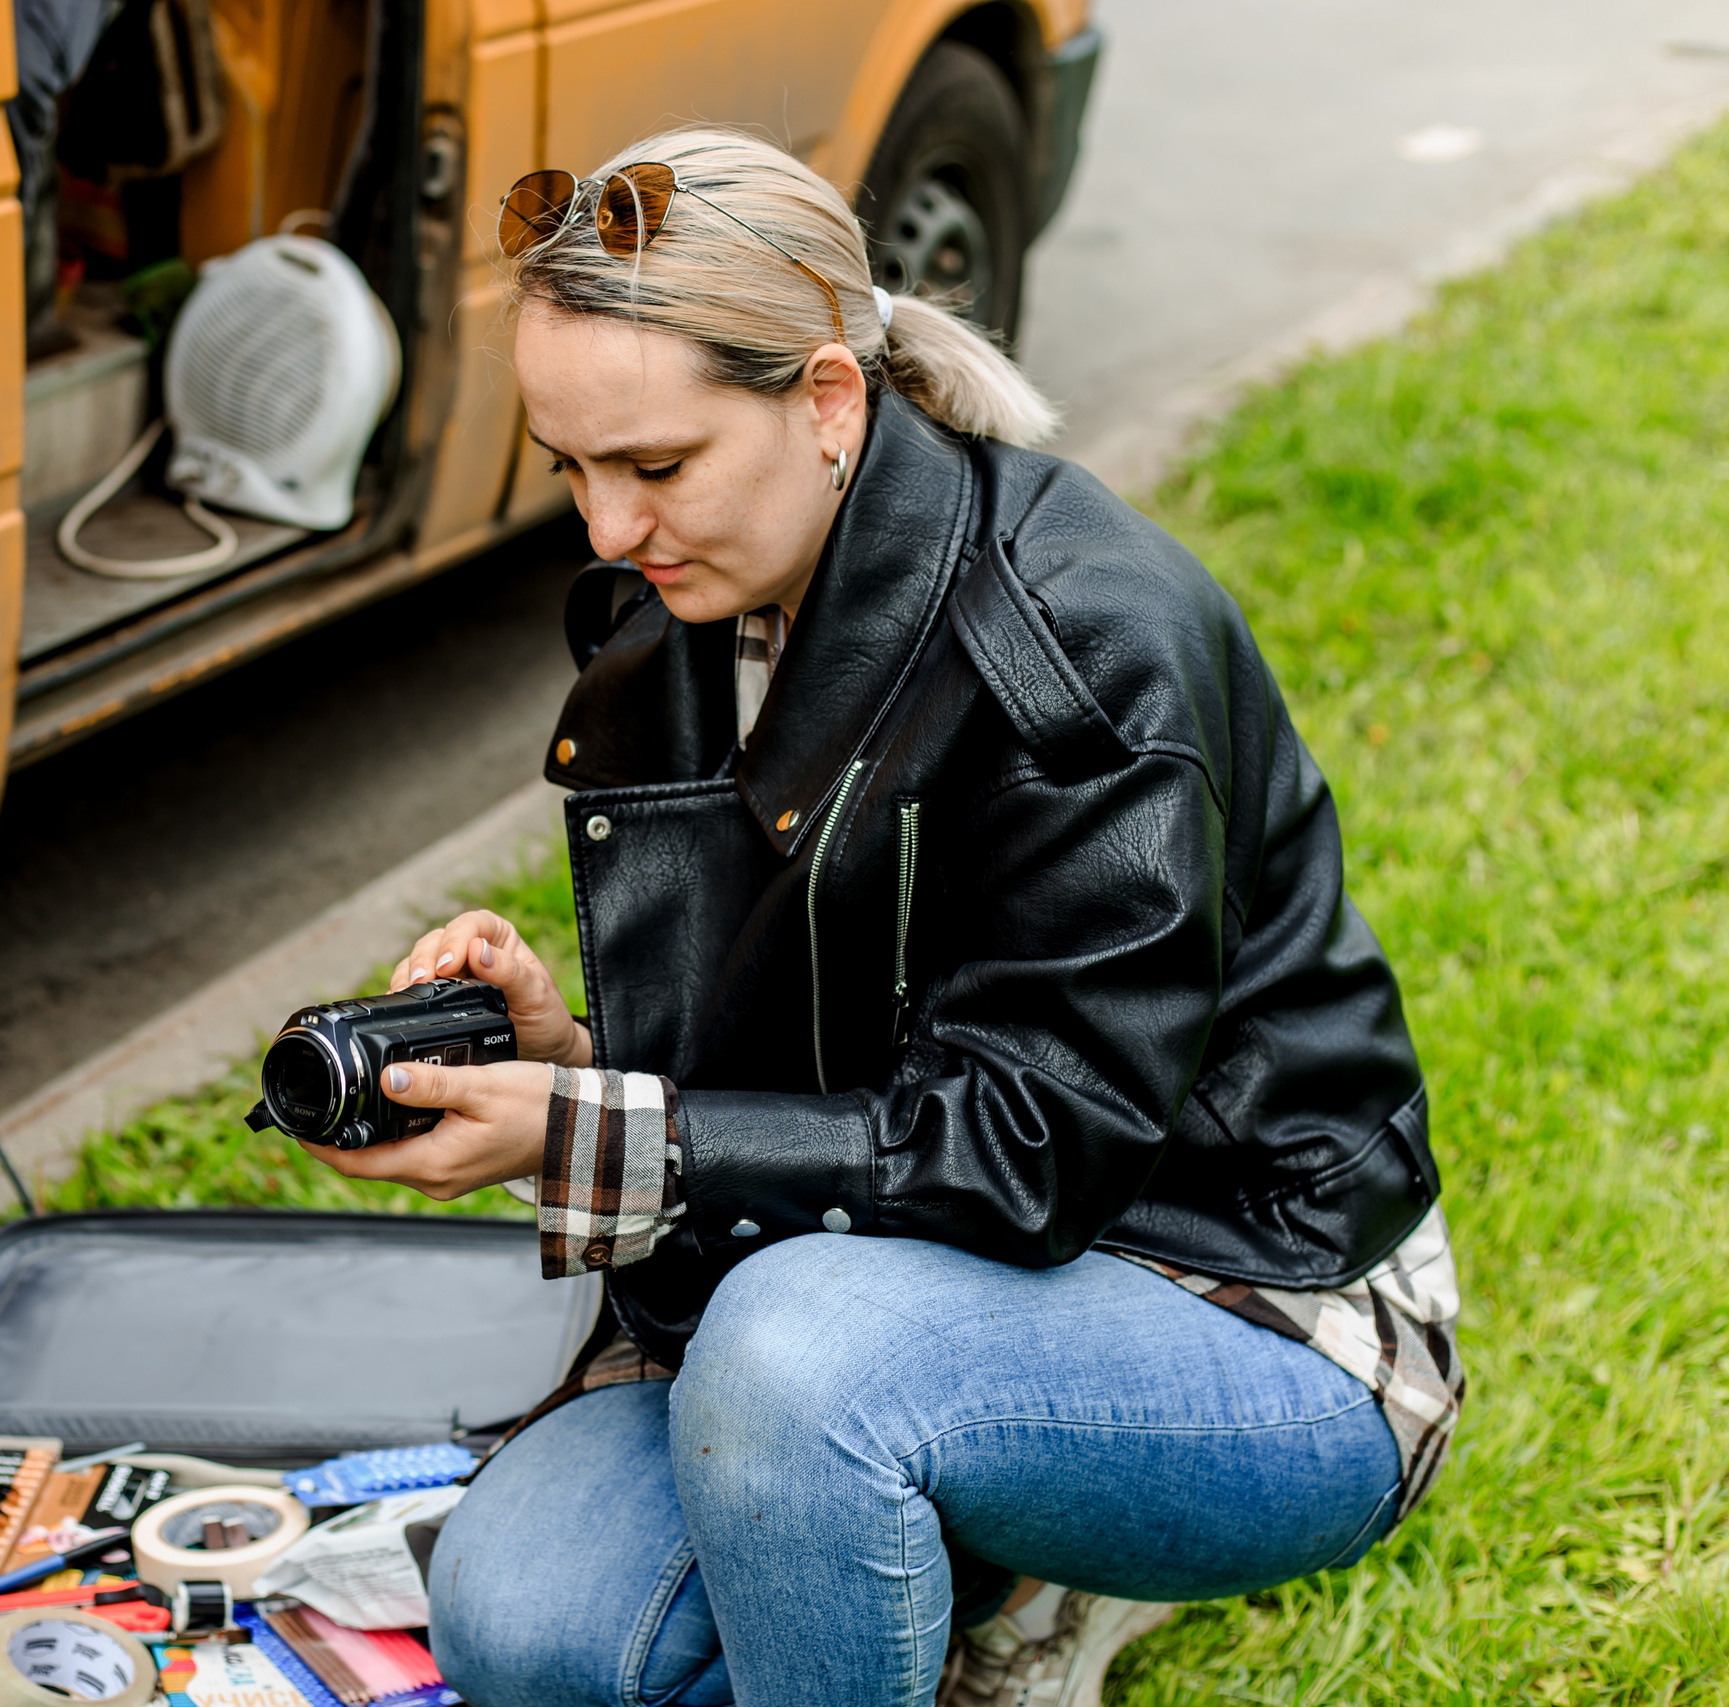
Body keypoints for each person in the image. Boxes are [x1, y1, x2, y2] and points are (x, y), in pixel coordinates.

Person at [295, 128, 1463, 1706]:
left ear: (830, 400)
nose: (607, 533)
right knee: (536, 1634)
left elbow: (1030, 1152)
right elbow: (786, 1056)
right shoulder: (691, 612)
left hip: (1242, 1301)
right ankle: (953, 1545)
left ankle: (979, 1524)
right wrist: (566, 1059)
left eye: (653, 465)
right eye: (568, 466)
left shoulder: (1083, 644)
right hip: (891, 1280)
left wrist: (590, 1141)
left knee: (795, 1359)